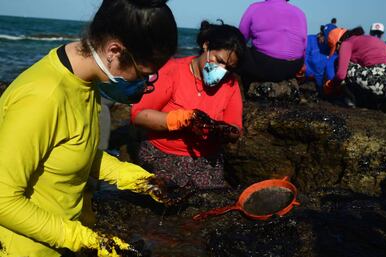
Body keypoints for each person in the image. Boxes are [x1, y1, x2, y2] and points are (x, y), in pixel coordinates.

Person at [0, 0, 177, 256]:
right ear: (114, 51)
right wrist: (85, 240)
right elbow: (3, 200)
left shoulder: (86, 81)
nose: (147, 83)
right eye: (143, 73)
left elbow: (72, 151)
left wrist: (139, 180)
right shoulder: (43, 98)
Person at [130, 21, 245, 192]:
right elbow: (138, 115)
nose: (221, 70)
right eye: (218, 60)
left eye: (228, 67)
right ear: (206, 46)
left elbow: (235, 127)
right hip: (162, 155)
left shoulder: (230, 84)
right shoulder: (172, 70)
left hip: (207, 162)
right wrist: (182, 120)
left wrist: (224, 131)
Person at [237, 0, 307, 92]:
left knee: (235, 50)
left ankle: (245, 88)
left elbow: (240, 39)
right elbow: (304, 45)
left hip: (266, 65)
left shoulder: (255, 8)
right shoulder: (300, 13)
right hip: (294, 66)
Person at [325, 27, 386, 109]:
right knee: (361, 69)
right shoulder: (367, 39)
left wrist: (331, 85)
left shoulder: (346, 43)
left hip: (378, 78)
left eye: (336, 49)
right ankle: (373, 102)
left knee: (338, 62)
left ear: (339, 43)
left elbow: (341, 75)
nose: (337, 52)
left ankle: (349, 101)